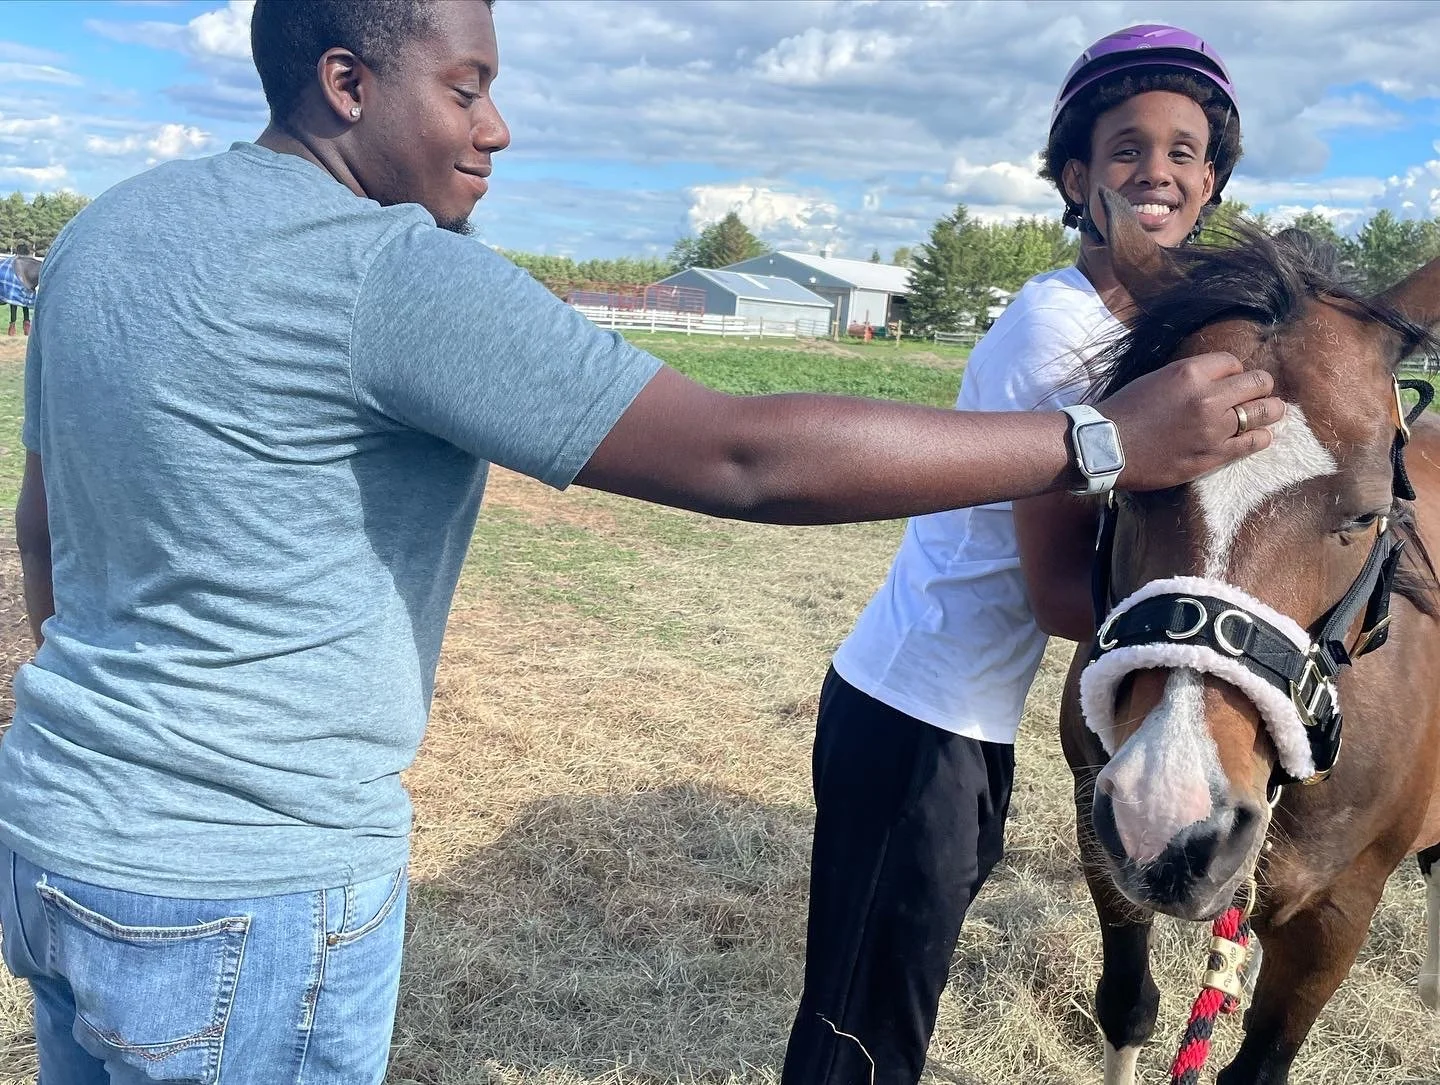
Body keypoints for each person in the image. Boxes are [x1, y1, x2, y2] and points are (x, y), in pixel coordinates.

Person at [0, 6, 1274, 1084]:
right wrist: (1103, 442)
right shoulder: (388, 273)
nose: (496, 128)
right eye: (467, 87)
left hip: (54, 831)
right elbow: (742, 455)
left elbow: (42, 537)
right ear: (347, 84)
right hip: (250, 894)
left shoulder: (110, 231)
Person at [783, 24, 1244, 1085]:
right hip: (918, 722)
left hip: (964, 717)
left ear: (1212, 180)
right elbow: (1054, 591)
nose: (1157, 170)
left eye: (1184, 149)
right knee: (861, 1032)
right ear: (1079, 177)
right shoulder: (1063, 335)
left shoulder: (1133, 333)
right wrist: (1230, 635)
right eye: (1126, 147)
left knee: (886, 1005)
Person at [0, 240, 37, 336]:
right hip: (25, 289)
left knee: (13, 305)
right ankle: (26, 327)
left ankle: (12, 328)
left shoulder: (10, 262)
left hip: (13, 292)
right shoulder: (28, 262)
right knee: (25, 306)